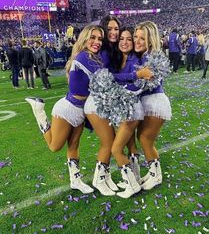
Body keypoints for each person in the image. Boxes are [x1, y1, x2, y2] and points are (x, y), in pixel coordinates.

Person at [25, 25, 106, 194]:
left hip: (81, 111)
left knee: (74, 146)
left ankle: (75, 181)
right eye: (93, 37)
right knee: (55, 146)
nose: (97, 41)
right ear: (84, 38)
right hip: (67, 109)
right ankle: (39, 112)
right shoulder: (83, 57)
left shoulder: (94, 57)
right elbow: (106, 78)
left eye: (100, 39)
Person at [110, 27, 153, 198]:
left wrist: (117, 77)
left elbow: (134, 85)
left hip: (132, 108)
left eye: (129, 39)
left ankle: (132, 185)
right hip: (125, 107)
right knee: (130, 145)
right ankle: (134, 178)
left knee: (116, 149)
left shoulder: (135, 59)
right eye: (122, 38)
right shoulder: (120, 58)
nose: (125, 42)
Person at [133, 21, 172, 191]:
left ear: (150, 40)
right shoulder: (142, 56)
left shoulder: (152, 56)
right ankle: (153, 170)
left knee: (145, 139)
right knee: (143, 138)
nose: (137, 41)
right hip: (148, 102)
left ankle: (156, 176)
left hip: (155, 102)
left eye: (142, 38)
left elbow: (140, 83)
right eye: (136, 37)